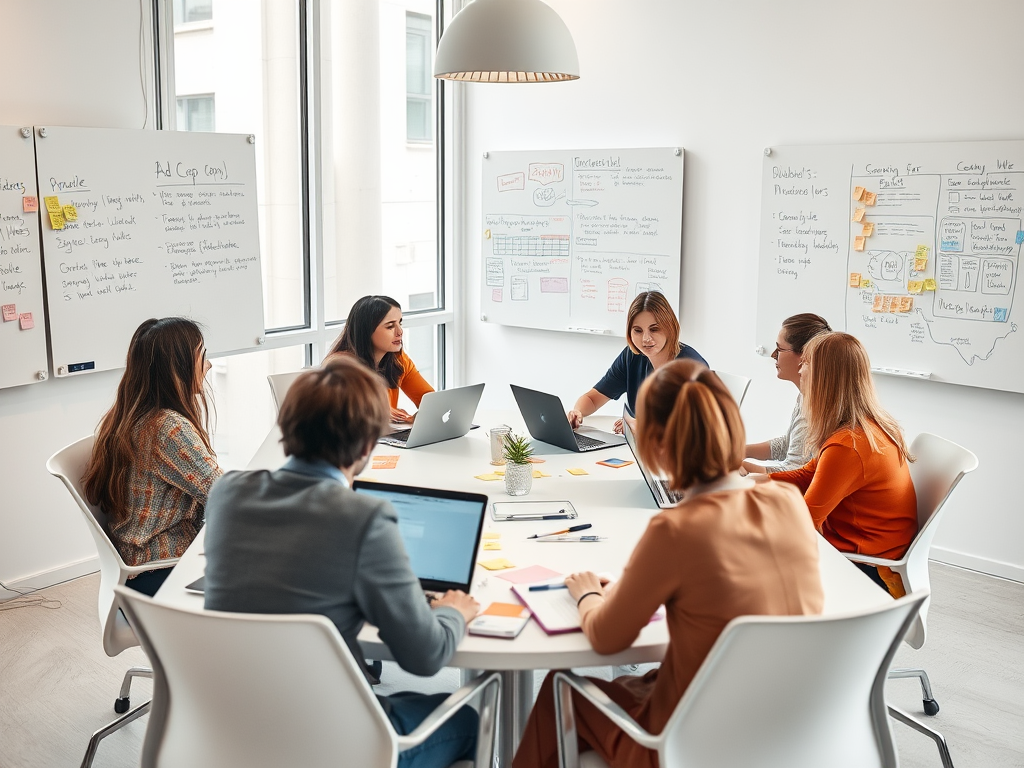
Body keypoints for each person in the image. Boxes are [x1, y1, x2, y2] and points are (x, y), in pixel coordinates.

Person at [513, 360, 824, 768]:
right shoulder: (787, 501)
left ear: (657, 444)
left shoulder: (676, 529)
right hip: (786, 727)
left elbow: (607, 639)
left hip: (689, 740)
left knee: (560, 688)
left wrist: (588, 593)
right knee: (637, 683)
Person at [203, 356, 481, 768]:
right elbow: (425, 656)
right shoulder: (364, 518)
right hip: (336, 747)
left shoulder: (227, 492)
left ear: (288, 425)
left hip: (234, 730)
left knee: (395, 700)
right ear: (368, 445)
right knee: (471, 720)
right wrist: (454, 613)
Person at [771, 332, 917, 597]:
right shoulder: (862, 427)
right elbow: (808, 475)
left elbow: (804, 523)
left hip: (865, 571)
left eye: (806, 363)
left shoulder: (848, 445)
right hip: (865, 556)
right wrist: (748, 483)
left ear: (825, 378)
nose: (800, 369)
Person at [83, 317, 221, 597]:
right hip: (160, 570)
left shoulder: (132, 417)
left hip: (137, 566)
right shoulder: (168, 429)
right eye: (202, 356)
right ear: (177, 368)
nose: (208, 365)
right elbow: (225, 493)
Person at [568, 291, 706, 433]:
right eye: (638, 331)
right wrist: (578, 412)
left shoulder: (692, 366)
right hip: (641, 449)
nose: (646, 338)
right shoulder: (632, 356)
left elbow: (693, 427)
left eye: (654, 329)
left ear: (670, 327)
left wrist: (641, 425)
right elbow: (593, 398)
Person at [743, 313, 831, 474]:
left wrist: (745, 468)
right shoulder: (806, 395)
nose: (773, 355)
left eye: (780, 349)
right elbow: (788, 444)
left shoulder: (817, 406)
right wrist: (740, 451)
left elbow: (796, 471)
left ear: (804, 356)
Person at [326, 295, 433, 424]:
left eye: (400, 323)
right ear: (367, 331)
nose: (400, 332)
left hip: (382, 438)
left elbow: (430, 400)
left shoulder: (399, 359)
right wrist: (379, 411)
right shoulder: (340, 364)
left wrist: (417, 418)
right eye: (390, 326)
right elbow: (343, 414)